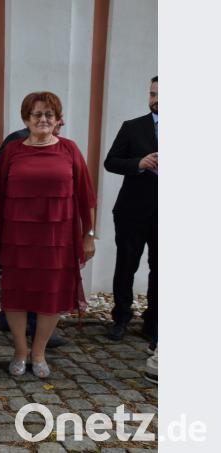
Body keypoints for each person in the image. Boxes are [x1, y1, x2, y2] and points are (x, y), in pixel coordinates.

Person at [0, 92, 96, 378]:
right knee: (16, 296)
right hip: (17, 238)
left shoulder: (70, 150)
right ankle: (20, 351)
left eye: (49, 114)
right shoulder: (12, 151)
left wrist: (89, 235)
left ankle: (39, 353)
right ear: (26, 119)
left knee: (51, 296)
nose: (43, 119)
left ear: (58, 120)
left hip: (57, 240)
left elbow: (85, 196)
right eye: (37, 114)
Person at [0, 119, 69, 348]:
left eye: (55, 115)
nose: (55, 121)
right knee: (20, 280)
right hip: (19, 226)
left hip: (47, 229)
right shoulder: (17, 141)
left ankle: (36, 333)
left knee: (43, 281)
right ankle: (19, 328)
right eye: (42, 114)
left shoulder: (65, 146)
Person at [104, 76, 158, 343]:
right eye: (152, 94)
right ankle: (121, 318)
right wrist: (139, 162)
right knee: (126, 265)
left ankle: (154, 322)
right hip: (132, 210)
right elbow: (110, 162)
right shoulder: (132, 127)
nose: (155, 99)